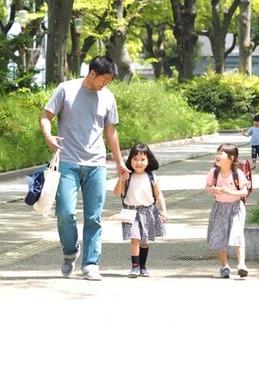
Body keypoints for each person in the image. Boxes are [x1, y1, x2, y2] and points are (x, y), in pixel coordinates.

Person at [39, 55, 130, 281]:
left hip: (96, 164)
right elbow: (46, 116)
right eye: (104, 79)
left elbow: (111, 131)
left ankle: (91, 264)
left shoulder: (108, 97)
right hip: (67, 162)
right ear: (92, 73)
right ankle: (70, 251)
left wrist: (119, 161)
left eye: (109, 80)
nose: (106, 84)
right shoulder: (66, 89)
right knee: (65, 213)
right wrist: (48, 136)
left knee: (93, 217)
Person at [114, 143, 168, 278]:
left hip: (148, 211)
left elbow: (158, 194)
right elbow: (117, 193)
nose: (139, 162)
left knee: (144, 241)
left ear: (148, 161)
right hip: (131, 212)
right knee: (135, 238)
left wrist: (164, 210)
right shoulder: (127, 176)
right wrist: (121, 179)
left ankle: (143, 266)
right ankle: (135, 266)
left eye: (142, 159)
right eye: (135, 159)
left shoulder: (152, 177)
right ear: (130, 160)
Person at [204, 143, 249, 278]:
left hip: (236, 208)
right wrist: (213, 190)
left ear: (231, 158)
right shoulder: (214, 172)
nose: (217, 156)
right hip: (219, 207)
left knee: (237, 234)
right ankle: (224, 266)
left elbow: (244, 192)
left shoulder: (237, 173)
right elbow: (207, 187)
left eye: (221, 153)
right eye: (217, 153)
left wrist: (230, 192)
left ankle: (241, 265)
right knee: (220, 236)